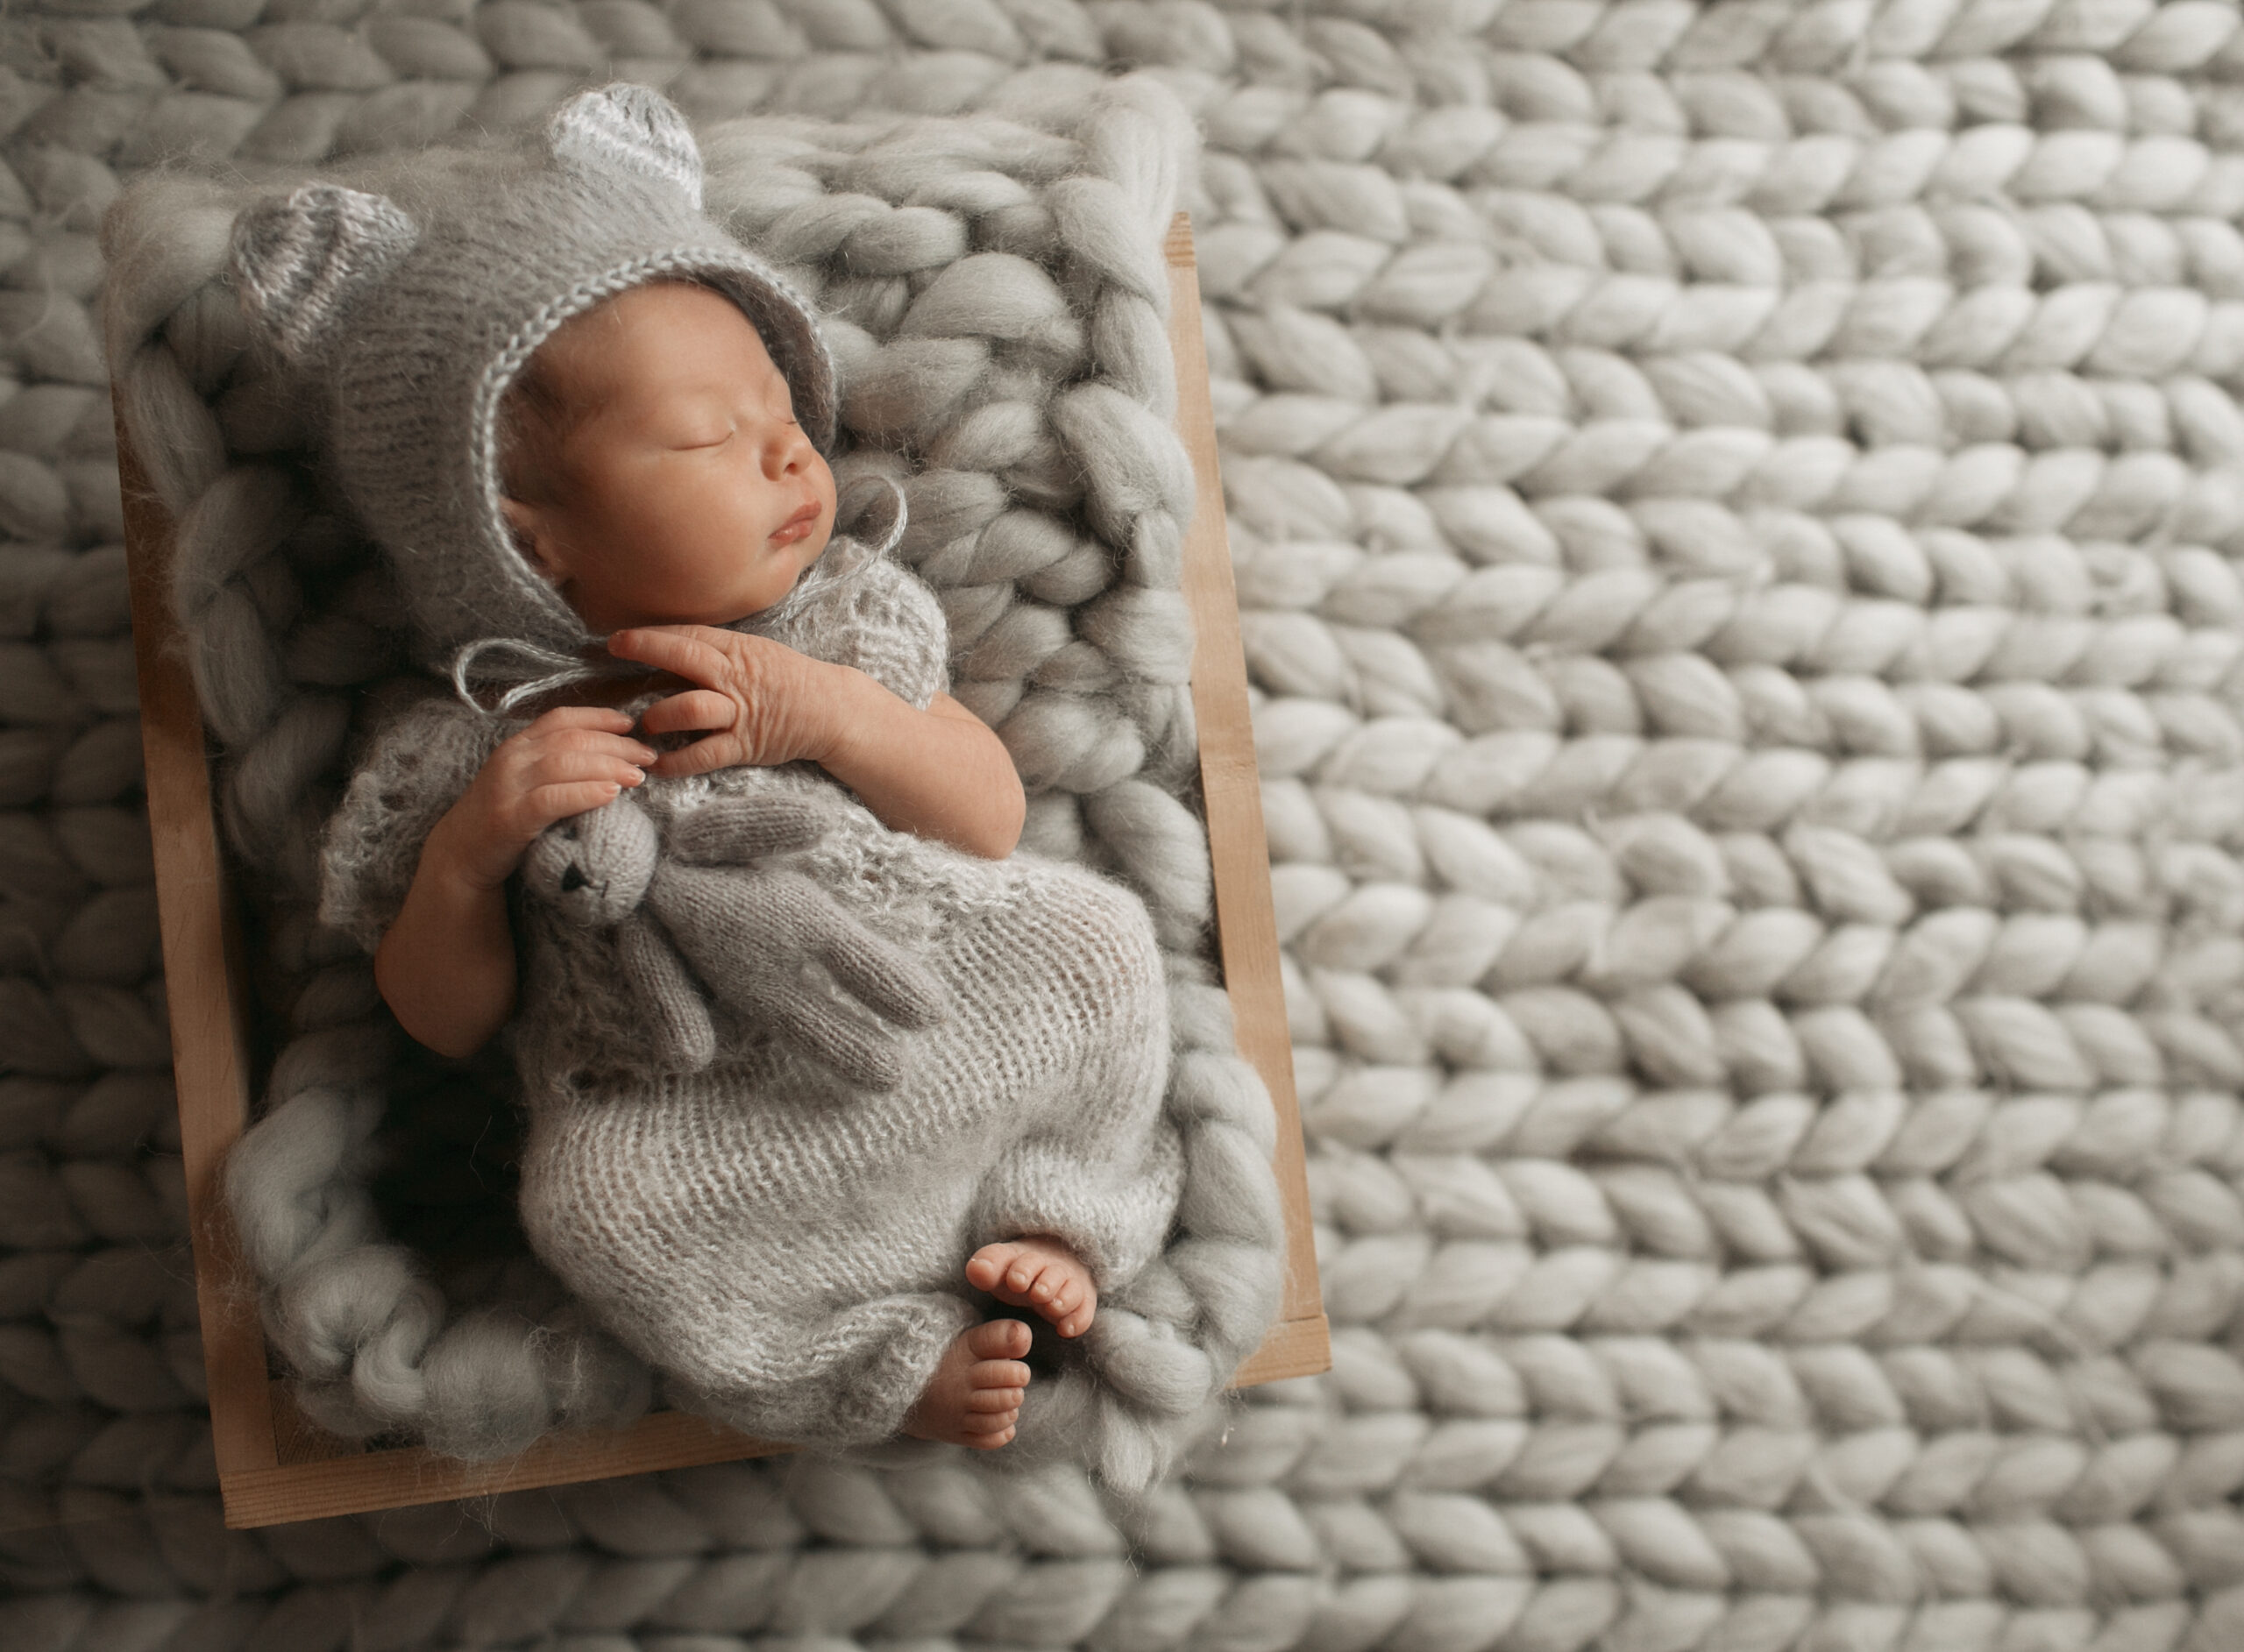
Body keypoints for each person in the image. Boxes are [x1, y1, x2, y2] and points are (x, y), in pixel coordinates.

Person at [237, 85, 1183, 1454]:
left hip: (937, 986)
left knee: (1100, 944)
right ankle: (871, 1362)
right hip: (688, 1106)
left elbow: (989, 815)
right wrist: (470, 854)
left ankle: (1066, 1226)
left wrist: (836, 719)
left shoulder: (837, 626)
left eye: (779, 406)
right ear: (532, 540)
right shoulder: (477, 752)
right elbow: (444, 1021)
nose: (789, 449)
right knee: (596, 1216)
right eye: (708, 438)